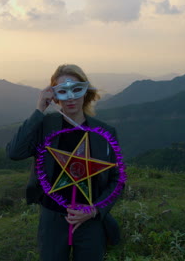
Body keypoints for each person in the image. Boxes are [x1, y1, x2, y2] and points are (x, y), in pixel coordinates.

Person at [7, 64, 121, 261]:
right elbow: (15, 152)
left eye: (76, 89)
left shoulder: (105, 133)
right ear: (54, 95)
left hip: (90, 220)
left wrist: (95, 210)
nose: (70, 97)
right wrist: (39, 110)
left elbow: (117, 179)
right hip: (53, 218)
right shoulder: (44, 126)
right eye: (62, 91)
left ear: (86, 92)